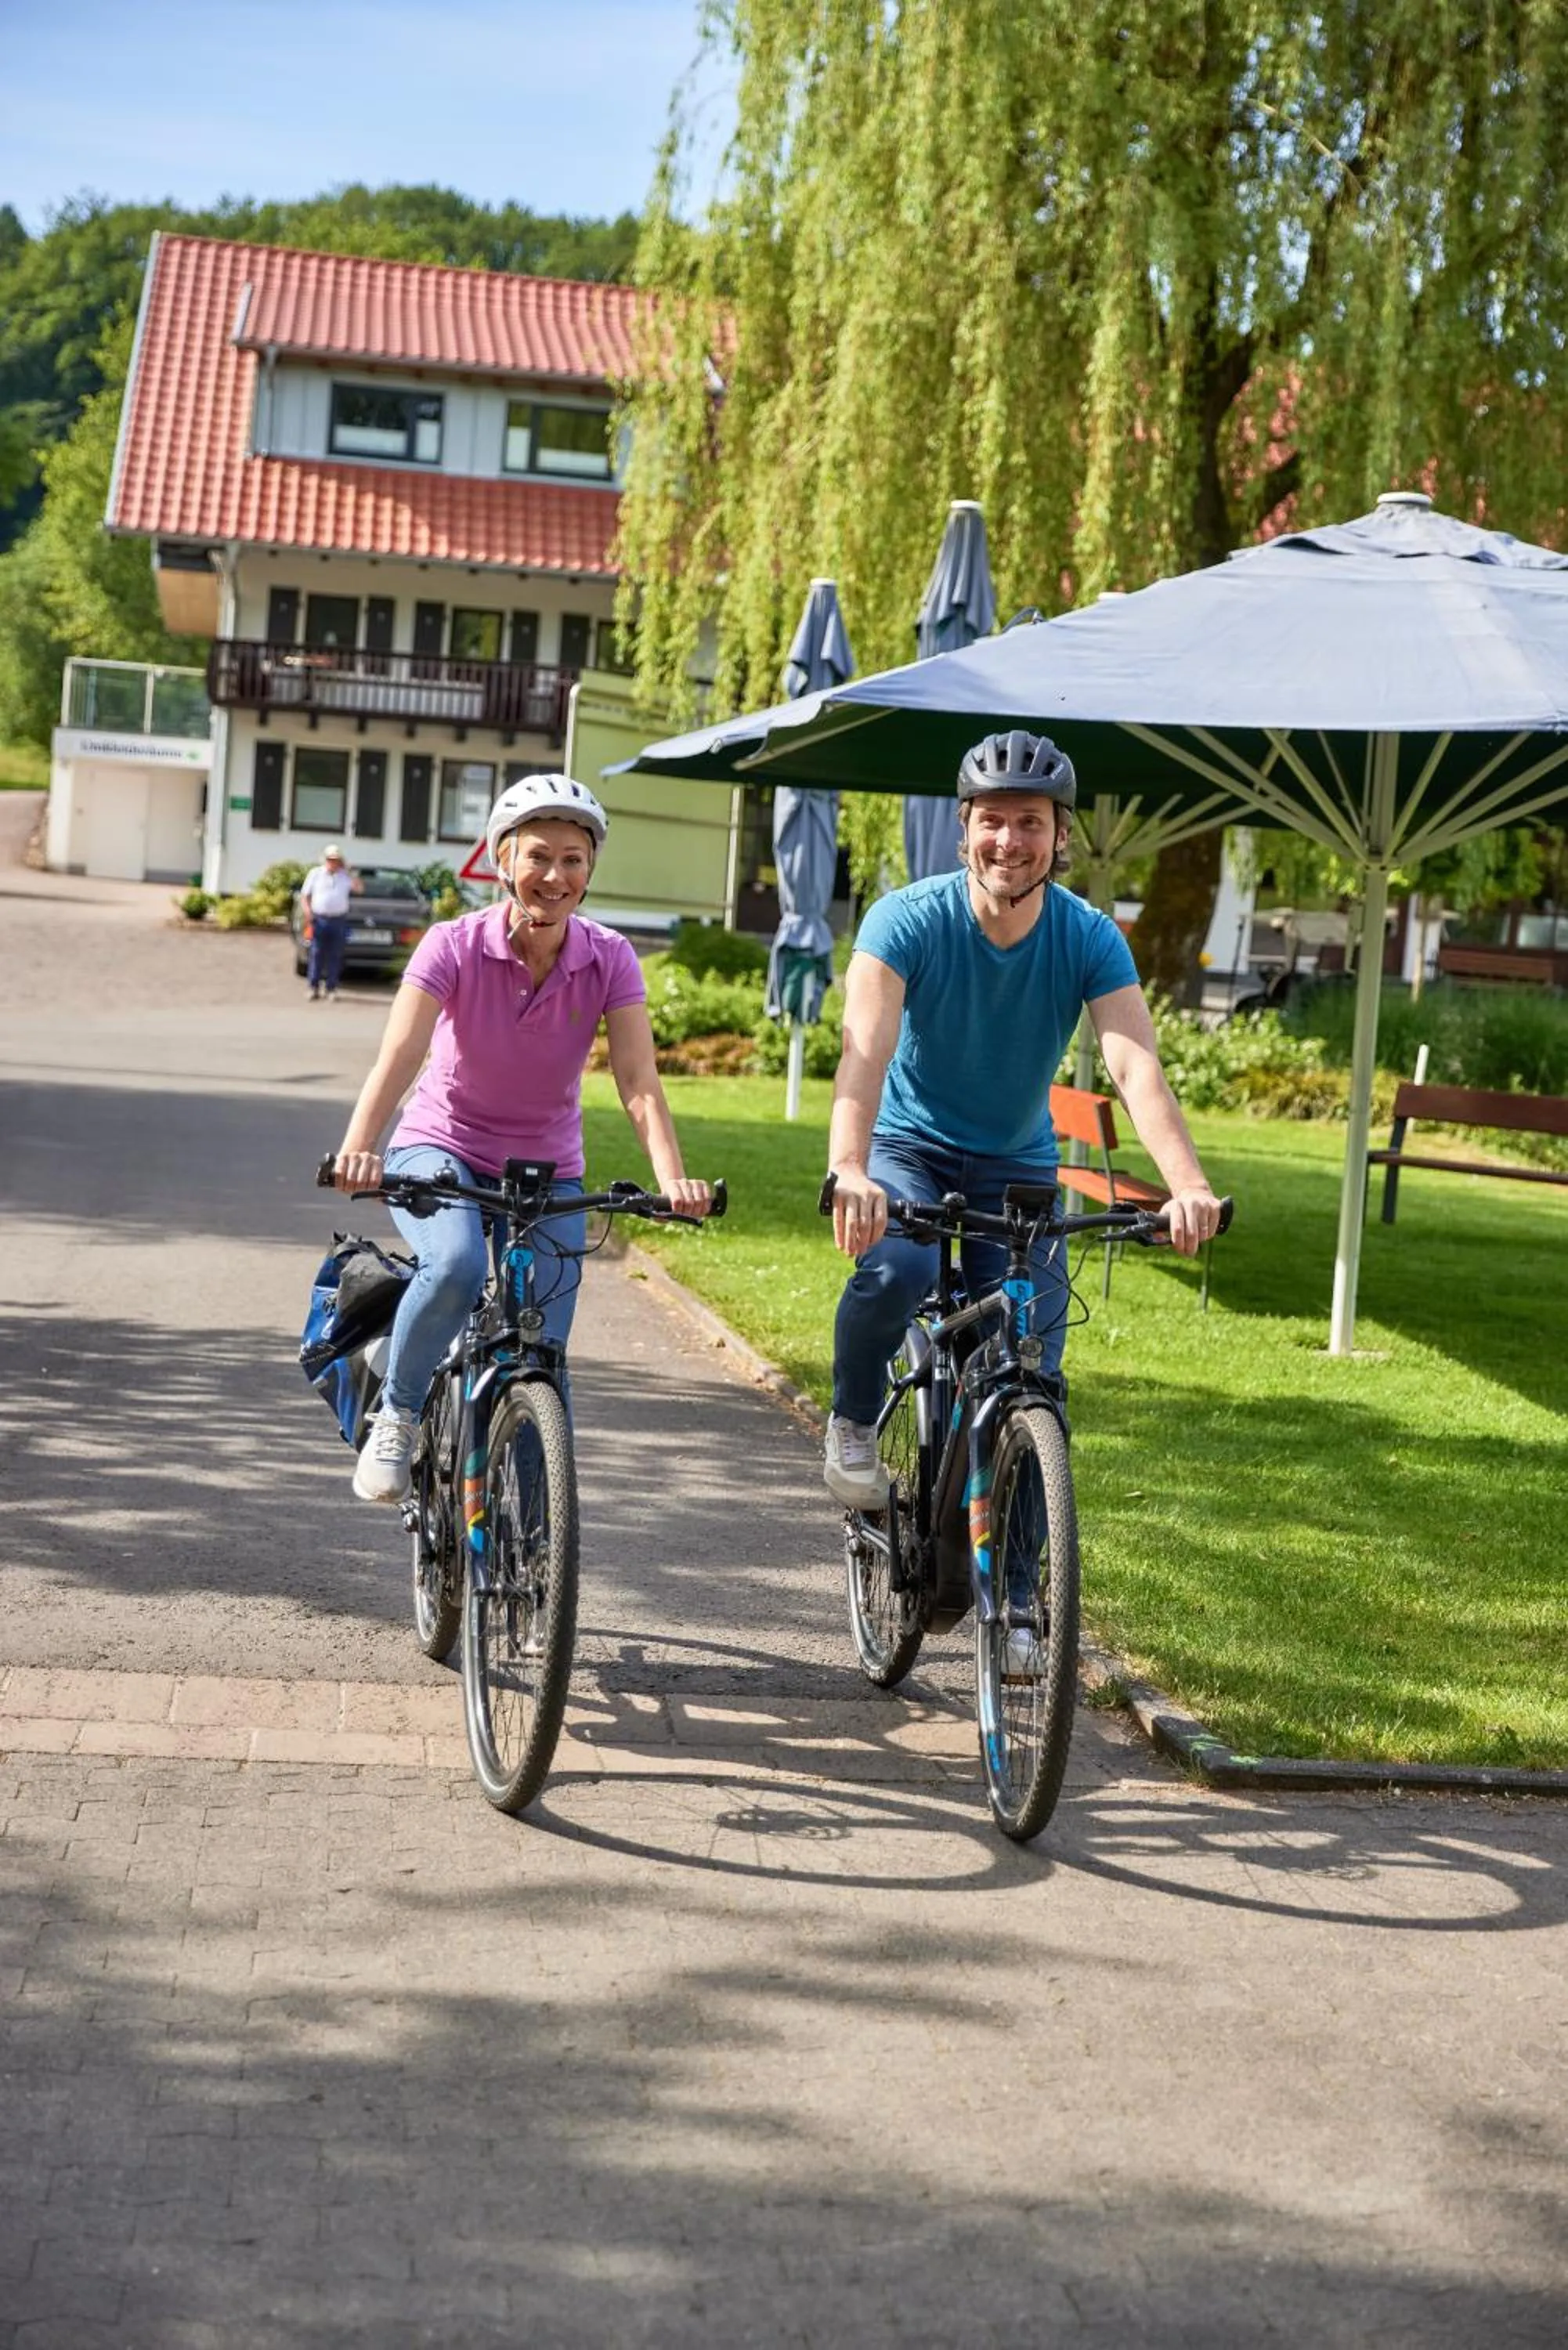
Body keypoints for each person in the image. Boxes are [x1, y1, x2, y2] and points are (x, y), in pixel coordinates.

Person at [823, 729, 1225, 1535]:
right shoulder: (905, 919)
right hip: (910, 1149)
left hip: (1015, 1163)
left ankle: (1018, 1610)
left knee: (1032, 1370)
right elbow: (863, 1052)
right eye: (994, 821)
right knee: (897, 1271)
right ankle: (855, 1417)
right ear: (965, 826)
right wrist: (850, 1168)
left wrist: (1187, 1185)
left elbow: (1133, 1065)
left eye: (1032, 823)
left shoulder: (1087, 936)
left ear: (1060, 835)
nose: (1011, 841)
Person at [330, 773, 712, 1505]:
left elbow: (638, 1079)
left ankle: (537, 1543)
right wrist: (360, 1146)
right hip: (441, 1146)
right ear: (503, 861)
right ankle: (400, 1414)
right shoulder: (453, 945)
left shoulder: (610, 958)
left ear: (590, 870)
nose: (555, 875)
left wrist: (672, 1178)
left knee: (542, 1346)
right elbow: (401, 1056)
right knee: (458, 1265)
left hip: (547, 1166)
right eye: (538, 856)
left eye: (574, 859)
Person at [298, 844, 362, 1000]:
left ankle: (331, 988)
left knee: (335, 955)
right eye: (330, 859)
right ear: (325, 859)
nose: (333, 862)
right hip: (319, 919)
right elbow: (305, 895)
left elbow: (359, 889)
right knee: (317, 954)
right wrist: (308, 913)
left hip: (338, 920)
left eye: (336, 860)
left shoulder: (345, 876)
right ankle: (313, 987)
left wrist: (349, 872)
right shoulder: (316, 874)